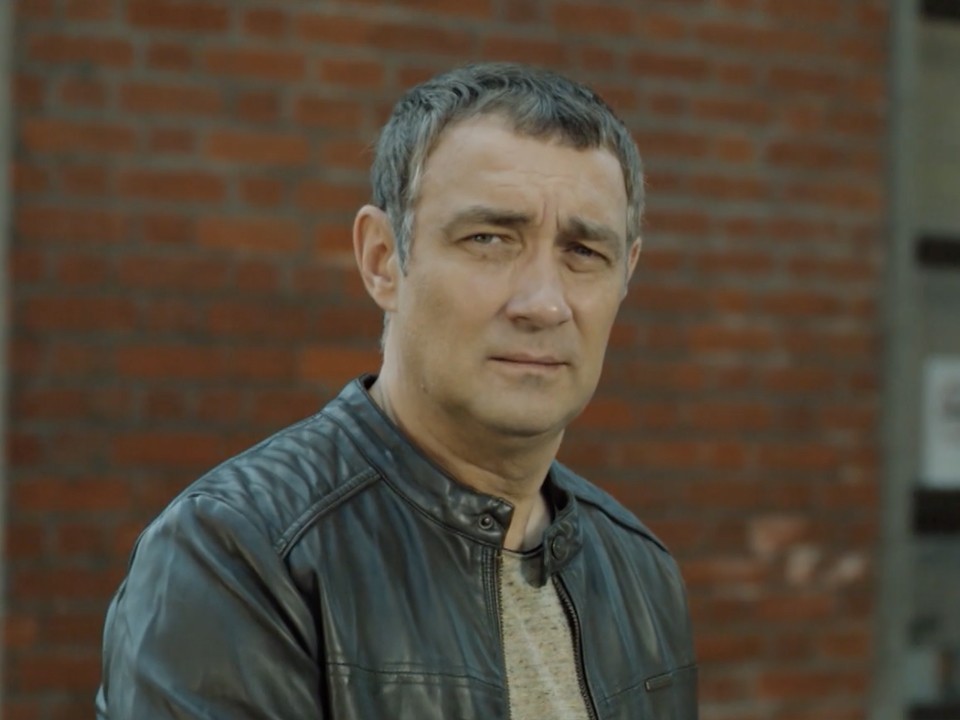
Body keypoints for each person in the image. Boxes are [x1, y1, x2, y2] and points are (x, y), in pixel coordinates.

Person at [97, 62, 697, 719]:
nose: (544, 303)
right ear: (382, 259)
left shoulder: (640, 571)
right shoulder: (237, 554)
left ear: (626, 273)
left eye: (584, 252)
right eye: (489, 239)